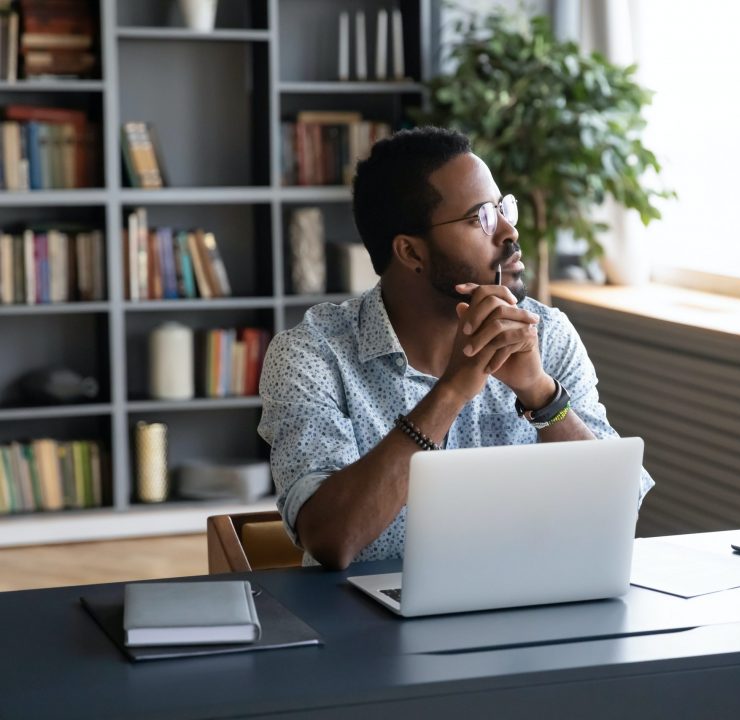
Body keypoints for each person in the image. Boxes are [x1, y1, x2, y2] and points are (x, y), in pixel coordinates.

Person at [258, 126, 653, 570]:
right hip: (368, 625)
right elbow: (332, 540)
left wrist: (541, 394)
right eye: (479, 218)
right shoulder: (313, 355)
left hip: (531, 613)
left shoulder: (548, 335)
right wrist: (451, 391)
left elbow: (621, 513)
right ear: (411, 252)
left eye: (504, 209)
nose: (508, 232)